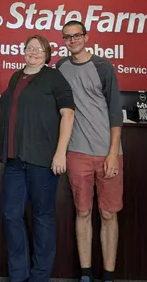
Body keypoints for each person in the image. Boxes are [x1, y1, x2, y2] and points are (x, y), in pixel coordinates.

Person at [0, 34, 75, 282]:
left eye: (39, 49)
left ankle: (40, 275)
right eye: (30, 48)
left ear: (47, 53)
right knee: (10, 214)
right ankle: (19, 275)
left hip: (43, 160)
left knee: (42, 217)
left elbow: (68, 114)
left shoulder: (54, 77)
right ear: (24, 51)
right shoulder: (16, 76)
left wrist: (61, 152)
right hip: (15, 160)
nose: (34, 52)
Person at [56, 20, 123, 282]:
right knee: (83, 212)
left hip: (108, 153)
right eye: (67, 37)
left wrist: (113, 153)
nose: (72, 40)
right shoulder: (60, 67)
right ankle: (85, 274)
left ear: (86, 37)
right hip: (77, 153)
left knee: (108, 214)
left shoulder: (103, 66)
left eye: (77, 36)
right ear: (63, 40)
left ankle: (107, 275)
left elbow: (115, 112)